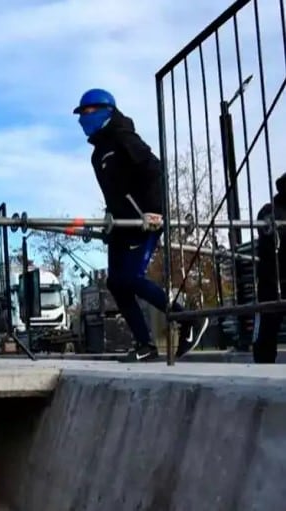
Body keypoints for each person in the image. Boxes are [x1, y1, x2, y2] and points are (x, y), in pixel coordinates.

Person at [74, 88, 209, 362]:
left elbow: (154, 170)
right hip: (121, 225)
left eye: (89, 113)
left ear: (105, 111)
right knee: (116, 283)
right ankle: (145, 345)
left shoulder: (123, 137)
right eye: (82, 114)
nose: (84, 119)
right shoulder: (98, 152)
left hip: (143, 221)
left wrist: (153, 211)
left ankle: (187, 319)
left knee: (131, 278)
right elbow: (117, 191)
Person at [252, 172, 286, 363]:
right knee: (266, 330)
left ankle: (263, 361)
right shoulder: (270, 211)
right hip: (272, 281)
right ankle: (262, 363)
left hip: (272, 280)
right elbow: (267, 237)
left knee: (266, 331)